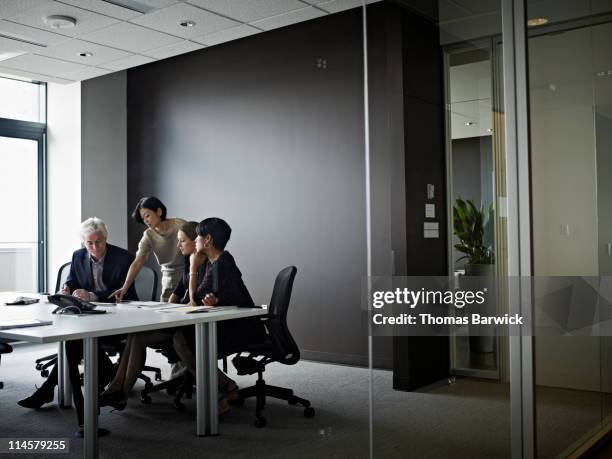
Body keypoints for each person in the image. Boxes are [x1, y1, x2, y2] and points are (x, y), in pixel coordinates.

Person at [17, 217, 137, 427]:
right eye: (89, 243)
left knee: (73, 344)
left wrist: (91, 295)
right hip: (87, 317)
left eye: (98, 242)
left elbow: (125, 294)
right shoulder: (78, 255)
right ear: (83, 242)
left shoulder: (123, 257)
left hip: (118, 318)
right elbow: (72, 280)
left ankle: (52, 392)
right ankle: (81, 408)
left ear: (105, 238)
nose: (94, 247)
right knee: (73, 343)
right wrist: (66, 288)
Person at [99, 221, 203, 409]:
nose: (178, 246)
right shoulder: (189, 261)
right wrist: (167, 308)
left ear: (196, 241)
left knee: (138, 338)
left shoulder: (203, 264)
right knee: (134, 334)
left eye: (182, 241)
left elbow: (194, 301)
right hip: (180, 320)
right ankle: (117, 388)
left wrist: (194, 268)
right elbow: (179, 289)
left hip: (191, 327)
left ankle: (120, 392)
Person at [172, 218, 266, 406]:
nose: (196, 240)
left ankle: (218, 391)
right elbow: (208, 297)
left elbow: (195, 300)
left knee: (182, 339)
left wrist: (193, 267)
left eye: (198, 236)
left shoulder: (221, 262)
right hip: (232, 323)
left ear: (207, 240)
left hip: (242, 328)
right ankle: (224, 386)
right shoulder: (218, 261)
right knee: (182, 337)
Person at [112, 197, 186, 302]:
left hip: (187, 277)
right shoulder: (148, 235)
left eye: (147, 215)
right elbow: (137, 262)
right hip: (168, 281)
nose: (146, 221)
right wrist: (125, 287)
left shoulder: (180, 225)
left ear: (159, 211)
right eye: (143, 218)